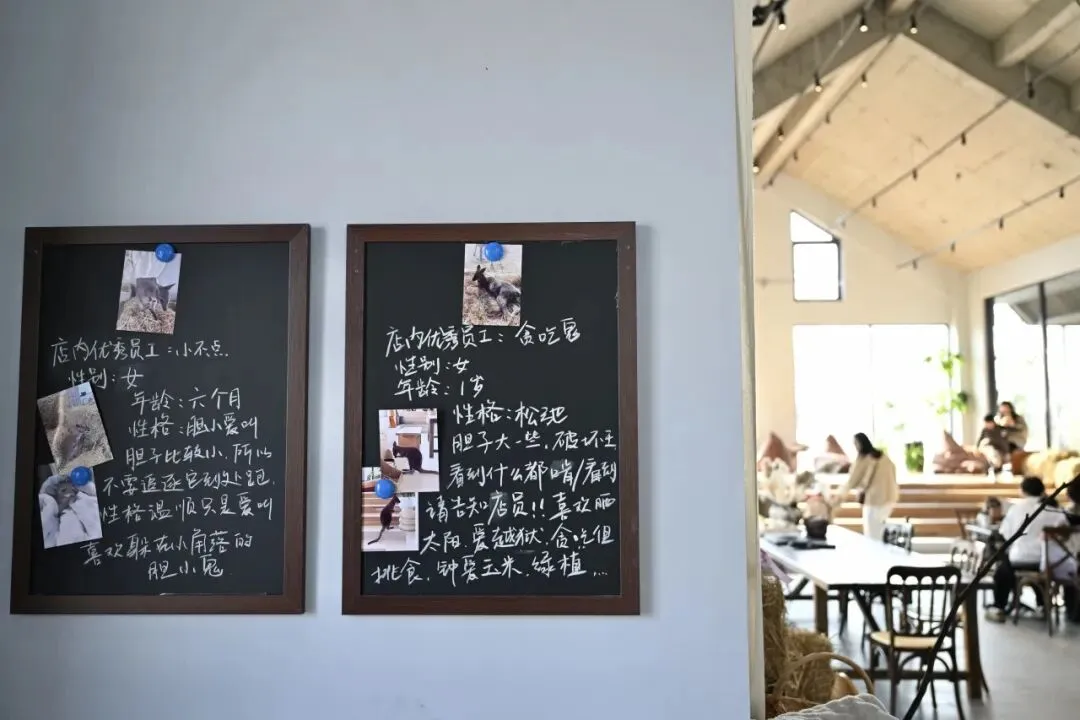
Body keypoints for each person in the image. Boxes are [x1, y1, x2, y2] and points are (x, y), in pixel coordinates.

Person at [986, 476, 1068, 622]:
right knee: (1036, 569)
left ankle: (999, 606)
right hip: (1046, 561)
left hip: (1019, 559)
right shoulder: (1053, 510)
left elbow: (1006, 534)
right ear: (1042, 491)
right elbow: (1065, 532)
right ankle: (1042, 604)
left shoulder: (1016, 509)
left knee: (1002, 570)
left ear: (1022, 490)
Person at [843, 433, 899, 541]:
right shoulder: (883, 456)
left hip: (874, 499)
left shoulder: (865, 459)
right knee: (879, 529)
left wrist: (840, 493)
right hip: (889, 497)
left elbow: (853, 479)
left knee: (871, 532)